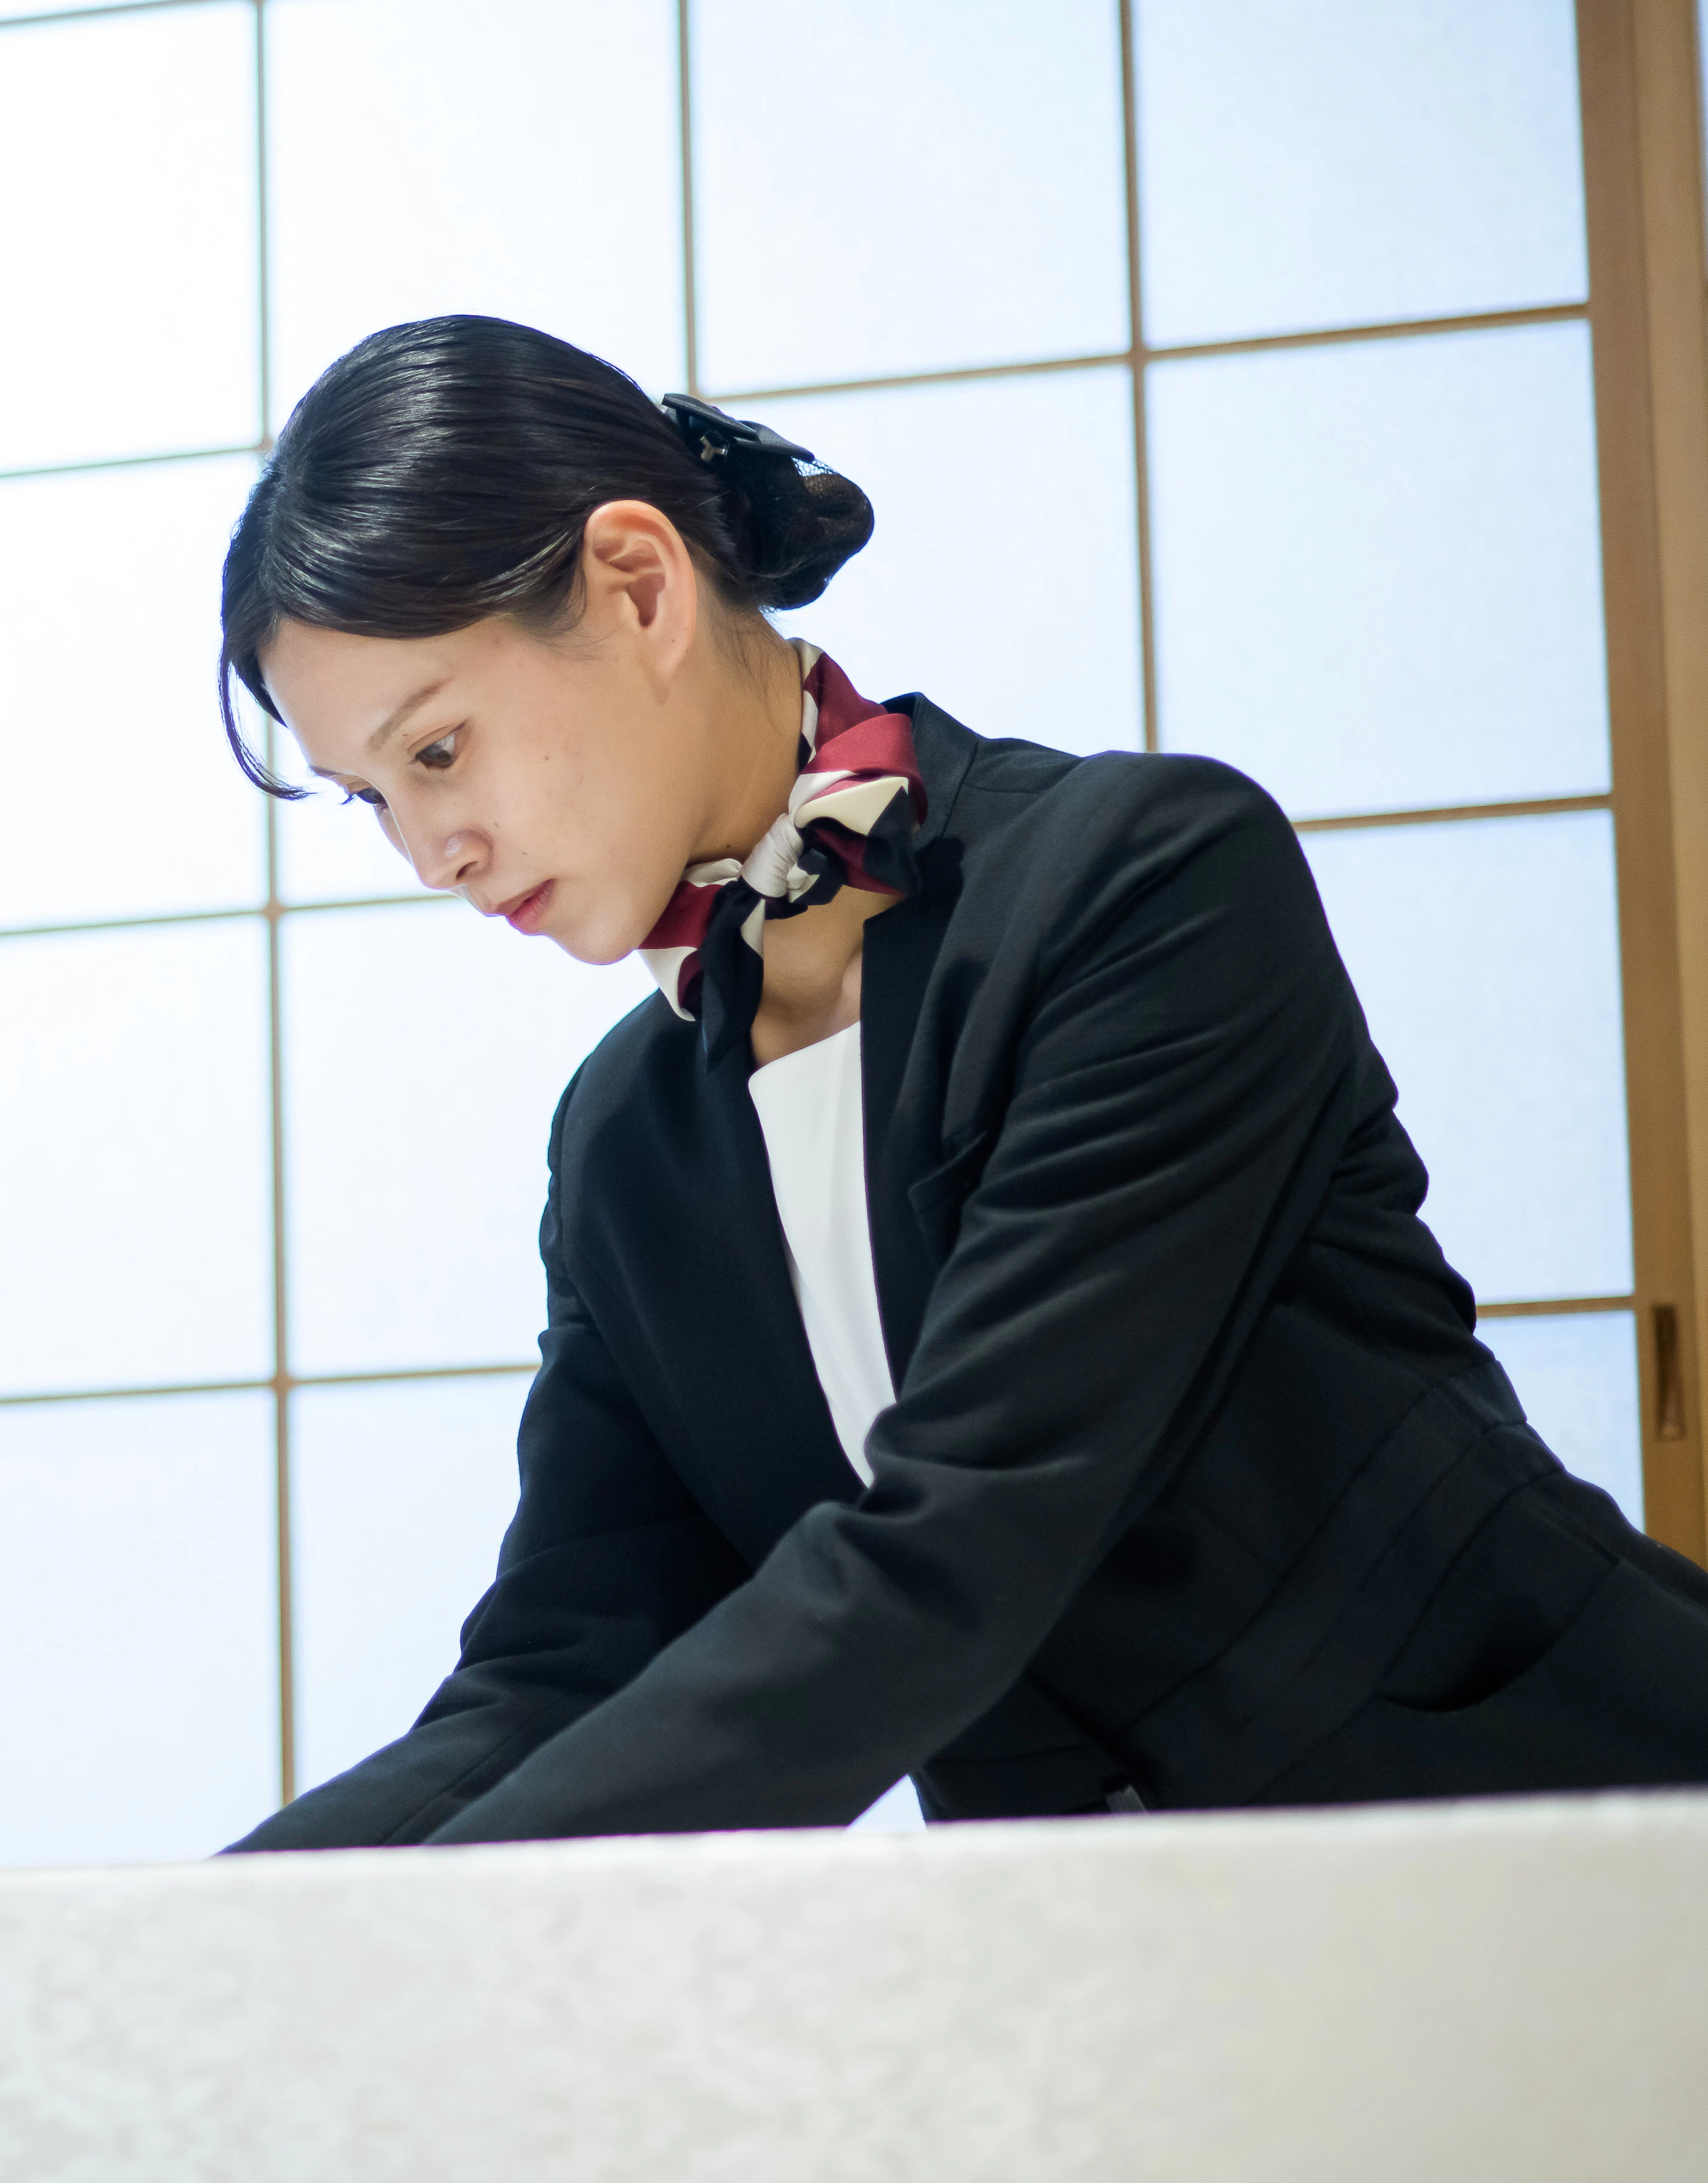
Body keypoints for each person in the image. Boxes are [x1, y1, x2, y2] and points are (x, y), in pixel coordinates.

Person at [218, 315, 1708, 1848]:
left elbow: (966, 1543)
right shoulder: (623, 1146)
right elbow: (554, 1676)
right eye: (371, 798)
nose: (430, 852)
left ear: (640, 586)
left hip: (1588, 1854)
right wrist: (189, 1937)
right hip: (1128, 1955)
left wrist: (406, 1930)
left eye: (438, 750)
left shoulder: (1145, 887)